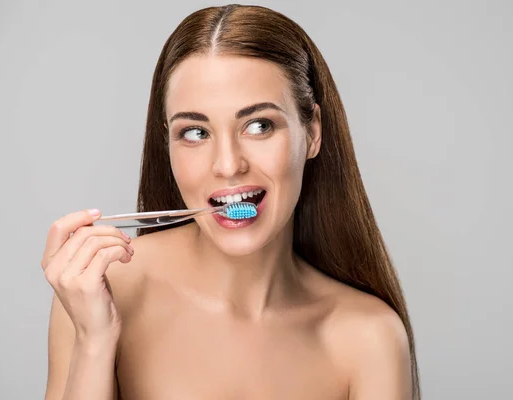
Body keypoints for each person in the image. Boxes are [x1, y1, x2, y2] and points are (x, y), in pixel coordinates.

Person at [41, 4, 420, 399]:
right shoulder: (100, 288)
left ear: (312, 133)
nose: (227, 165)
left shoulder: (369, 338)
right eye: (194, 132)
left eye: (259, 126)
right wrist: (94, 340)